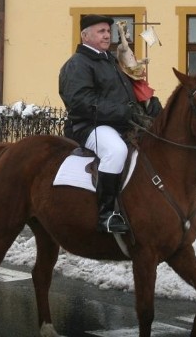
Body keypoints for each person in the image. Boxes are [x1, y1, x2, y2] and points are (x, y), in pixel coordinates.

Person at [58, 14, 146, 234]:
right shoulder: (77, 64)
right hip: (90, 126)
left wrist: (148, 107)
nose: (107, 35)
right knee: (116, 151)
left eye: (109, 31)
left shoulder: (111, 61)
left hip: (118, 124)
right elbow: (80, 102)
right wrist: (125, 112)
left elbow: (125, 95)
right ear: (85, 35)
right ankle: (107, 214)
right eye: (101, 31)